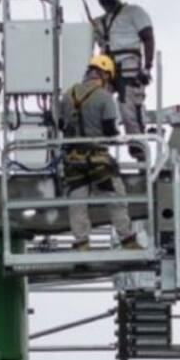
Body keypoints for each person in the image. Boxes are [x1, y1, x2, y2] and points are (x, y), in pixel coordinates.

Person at [57, 55, 140, 250]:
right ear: (105, 75)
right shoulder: (104, 97)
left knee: (77, 202)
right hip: (98, 159)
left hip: (72, 159)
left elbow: (61, 124)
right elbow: (110, 130)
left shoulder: (68, 95)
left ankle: (81, 243)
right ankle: (127, 239)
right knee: (116, 197)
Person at [92, 0, 155, 136]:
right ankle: (104, 138)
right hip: (106, 67)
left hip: (128, 66)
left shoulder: (134, 12)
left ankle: (138, 146)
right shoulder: (99, 22)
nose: (103, 3)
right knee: (96, 102)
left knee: (128, 109)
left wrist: (147, 67)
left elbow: (148, 37)